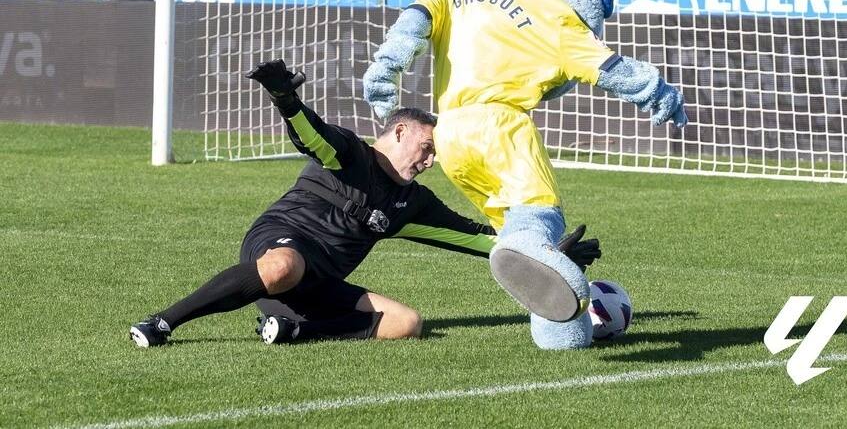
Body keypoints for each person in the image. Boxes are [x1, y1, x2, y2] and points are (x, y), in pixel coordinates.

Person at [130, 60, 599, 347]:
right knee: (282, 268)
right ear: (400, 130)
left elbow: (482, 242)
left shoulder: (413, 204)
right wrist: (285, 98)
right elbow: (310, 136)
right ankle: (164, 322)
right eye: (429, 147)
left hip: (318, 283)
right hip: (277, 246)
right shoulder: (352, 154)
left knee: (407, 323)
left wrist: (547, 255)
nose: (431, 160)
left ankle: (295, 330)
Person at [363, 0, 687, 348]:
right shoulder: (550, 8)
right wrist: (657, 91)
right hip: (501, 125)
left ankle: (559, 331)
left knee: (510, 228)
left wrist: (383, 72)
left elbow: (411, 26)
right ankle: (543, 254)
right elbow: (607, 67)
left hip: (449, 136)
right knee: (539, 213)